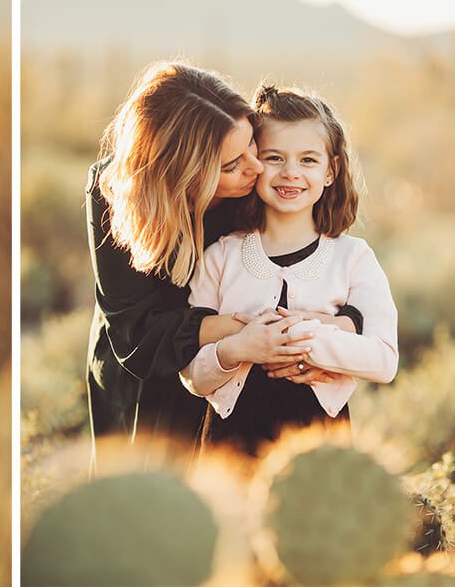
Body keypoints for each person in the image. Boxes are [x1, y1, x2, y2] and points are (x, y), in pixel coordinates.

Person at [83, 62, 365, 458]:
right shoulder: (116, 191)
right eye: (231, 165)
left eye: (251, 144)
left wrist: (325, 332)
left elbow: (312, 264)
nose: (255, 167)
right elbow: (139, 332)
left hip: (233, 368)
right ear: (183, 176)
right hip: (147, 367)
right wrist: (244, 329)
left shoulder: (256, 181)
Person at [178, 86, 396, 456]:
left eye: (309, 160)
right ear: (253, 163)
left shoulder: (353, 257)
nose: (291, 173)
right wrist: (237, 349)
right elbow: (192, 375)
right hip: (230, 446)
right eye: (275, 157)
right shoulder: (220, 257)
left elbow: (384, 359)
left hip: (321, 451)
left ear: (332, 170)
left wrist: (307, 341)